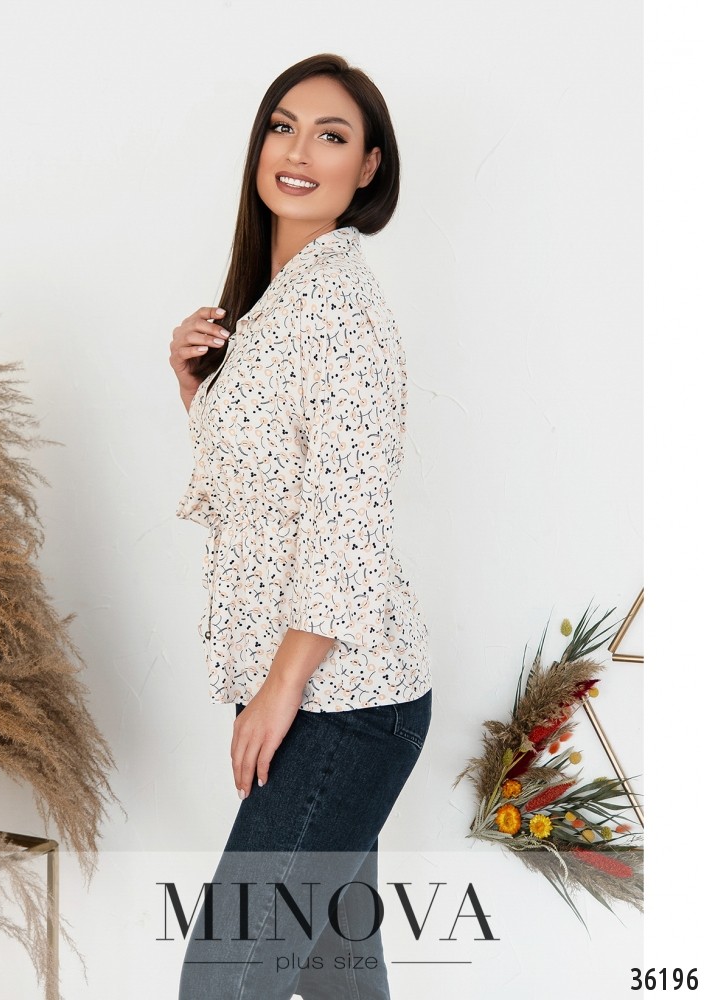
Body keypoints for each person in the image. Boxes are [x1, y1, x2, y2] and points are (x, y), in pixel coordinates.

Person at [169, 53, 432, 1000]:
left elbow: (346, 521)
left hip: (343, 702)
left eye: (331, 136)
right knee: (337, 983)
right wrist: (197, 390)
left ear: (368, 168)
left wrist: (280, 691)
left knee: (222, 980)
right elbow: (267, 485)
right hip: (316, 693)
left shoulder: (336, 308)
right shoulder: (278, 304)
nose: (298, 151)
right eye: (283, 127)